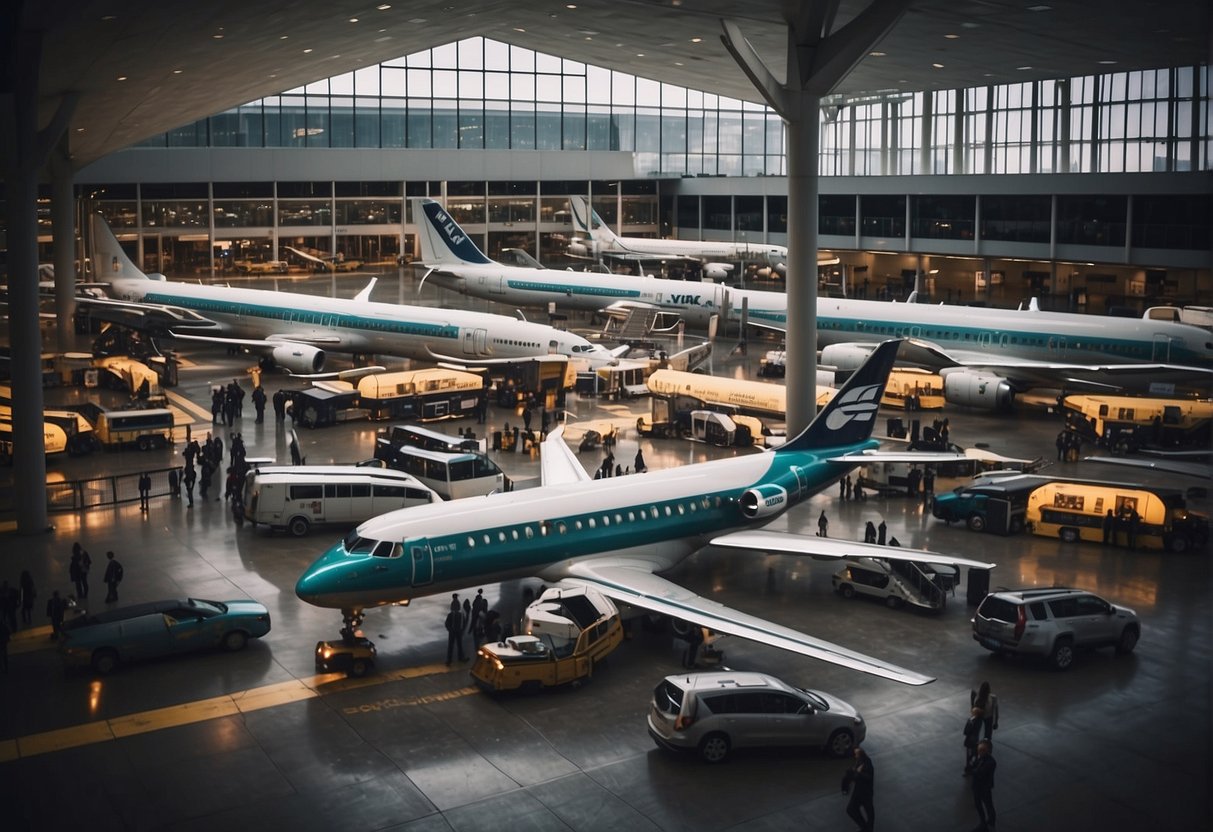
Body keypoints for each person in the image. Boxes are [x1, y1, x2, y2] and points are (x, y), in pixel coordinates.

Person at [840, 745, 875, 832]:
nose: (855, 756)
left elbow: (868, 777)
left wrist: (857, 773)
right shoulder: (858, 761)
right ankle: (865, 828)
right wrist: (845, 787)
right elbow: (851, 776)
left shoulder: (866, 762)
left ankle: (868, 828)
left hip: (865, 793)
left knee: (868, 810)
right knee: (852, 809)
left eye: (856, 754)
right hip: (859, 792)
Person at [970, 739, 997, 831]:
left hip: (984, 788)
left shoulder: (991, 762)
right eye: (979, 750)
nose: (980, 752)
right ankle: (983, 822)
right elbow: (974, 768)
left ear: (988, 751)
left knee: (988, 805)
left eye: (982, 750)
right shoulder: (980, 758)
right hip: (977, 787)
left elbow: (979, 773)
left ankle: (991, 823)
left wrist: (973, 767)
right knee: (978, 804)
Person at [445, 597, 467, 663]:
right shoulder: (461, 614)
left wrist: (450, 629)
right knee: (459, 645)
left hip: (453, 631)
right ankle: (460, 658)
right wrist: (462, 630)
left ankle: (449, 660)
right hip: (458, 631)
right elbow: (464, 623)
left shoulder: (450, 614)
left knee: (451, 646)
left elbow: (447, 623)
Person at [963, 706, 984, 775]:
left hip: (971, 740)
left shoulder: (973, 721)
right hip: (974, 739)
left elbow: (968, 730)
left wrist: (969, 723)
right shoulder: (978, 720)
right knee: (973, 753)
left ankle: (969, 767)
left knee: (970, 754)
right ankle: (971, 765)